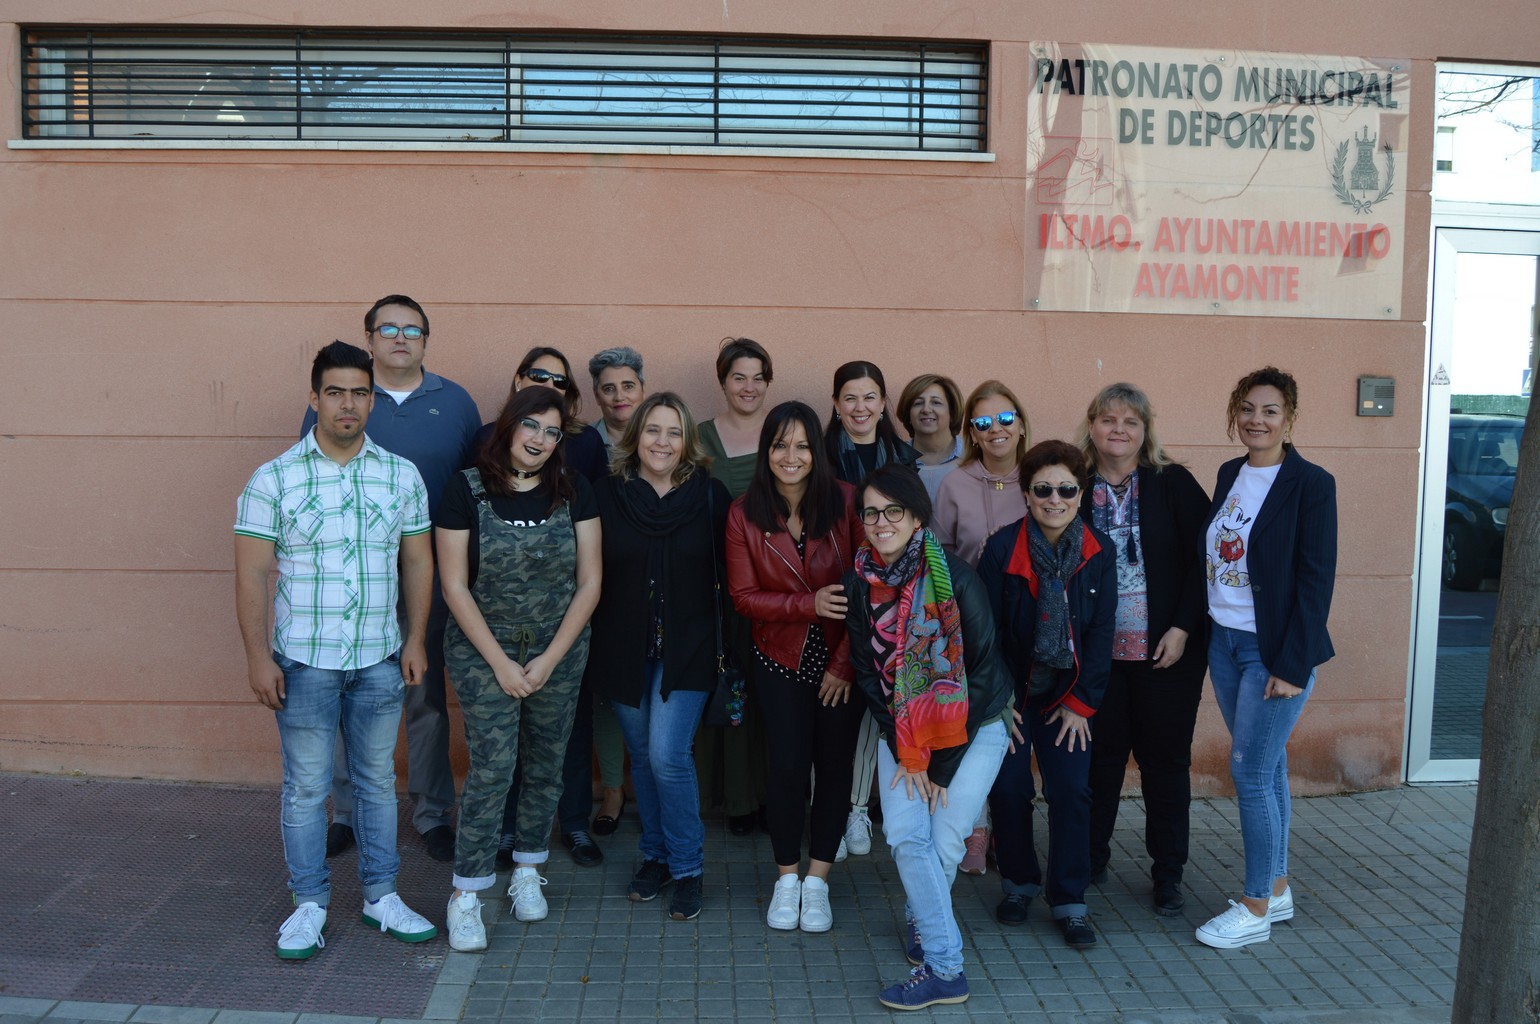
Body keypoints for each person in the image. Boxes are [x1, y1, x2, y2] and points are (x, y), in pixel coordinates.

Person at [236, 340, 439, 959]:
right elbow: (250, 574)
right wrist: (257, 657)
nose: (348, 404)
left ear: (372, 399)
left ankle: (381, 897)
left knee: (378, 783)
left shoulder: (400, 475)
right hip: (302, 661)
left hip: (378, 658)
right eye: (335, 392)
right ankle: (309, 905)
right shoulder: (273, 478)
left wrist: (414, 640)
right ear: (314, 398)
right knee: (305, 787)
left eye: (359, 392)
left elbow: (418, 561)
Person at [302, 295, 481, 864]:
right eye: (389, 328)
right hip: (350, 576)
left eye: (413, 329)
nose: (400, 338)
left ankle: (432, 814)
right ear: (371, 338)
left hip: (428, 573)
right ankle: (346, 813)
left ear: (426, 340)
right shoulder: (343, 398)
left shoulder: (454, 403)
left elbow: (474, 487)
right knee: (342, 693)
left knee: (423, 692)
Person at [842, 464, 1015, 1010]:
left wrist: (937, 767)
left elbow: (984, 673)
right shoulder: (859, 580)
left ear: (917, 517)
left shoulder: (956, 579)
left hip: (978, 725)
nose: (882, 521)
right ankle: (939, 946)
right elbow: (870, 676)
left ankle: (941, 962)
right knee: (906, 836)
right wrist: (907, 749)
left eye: (894, 510)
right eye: (871, 512)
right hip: (904, 732)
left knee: (943, 840)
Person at [435, 386, 602, 950]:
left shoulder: (574, 490)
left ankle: (529, 868)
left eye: (553, 432)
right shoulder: (465, 489)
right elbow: (454, 586)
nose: (540, 440)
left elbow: (590, 582)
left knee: (548, 763)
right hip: (484, 650)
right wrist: (503, 664)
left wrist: (549, 658)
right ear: (508, 426)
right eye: (532, 425)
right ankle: (467, 894)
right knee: (493, 767)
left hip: (559, 648)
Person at [1195, 366, 1337, 949]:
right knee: (1268, 765)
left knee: (1249, 771)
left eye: (1270, 411)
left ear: (1290, 419)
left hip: (1272, 652)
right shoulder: (1231, 473)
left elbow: (1314, 580)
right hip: (1224, 641)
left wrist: (1290, 664)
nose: (1257, 420)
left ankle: (1254, 907)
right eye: (1248, 409)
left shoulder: (1311, 483)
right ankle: (1277, 888)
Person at [587, 393, 731, 922]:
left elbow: (728, 576)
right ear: (635, 437)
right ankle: (656, 857)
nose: (662, 442)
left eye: (673, 432)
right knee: (643, 756)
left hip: (689, 650)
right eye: (652, 431)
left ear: (687, 440)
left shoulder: (710, 497)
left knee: (669, 756)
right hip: (623, 648)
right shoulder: (606, 494)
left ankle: (689, 868)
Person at [725, 401, 864, 933]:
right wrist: (806, 606)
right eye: (780, 444)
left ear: (818, 451)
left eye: (802, 445)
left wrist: (845, 664)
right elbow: (742, 596)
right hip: (778, 657)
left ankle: (818, 882)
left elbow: (865, 589)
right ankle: (786, 879)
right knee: (785, 769)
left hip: (841, 659)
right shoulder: (744, 512)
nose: (791, 456)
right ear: (766, 451)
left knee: (833, 769)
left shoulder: (847, 503)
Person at [478, 347, 616, 870]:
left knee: (567, 731)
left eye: (560, 380)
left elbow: (591, 547)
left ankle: (573, 823)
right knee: (507, 738)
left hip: (564, 619)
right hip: (497, 621)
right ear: (517, 381)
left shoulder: (582, 450)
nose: (550, 385)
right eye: (539, 377)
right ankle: (508, 831)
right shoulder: (485, 442)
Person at [1077, 383, 1211, 917]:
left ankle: (1168, 873)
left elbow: (1205, 563)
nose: (1119, 430)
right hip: (1097, 657)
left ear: (1145, 431)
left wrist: (1181, 627)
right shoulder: (1074, 485)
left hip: (1166, 656)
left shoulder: (1173, 483)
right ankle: (1088, 860)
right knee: (1098, 764)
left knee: (1165, 764)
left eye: (1130, 422)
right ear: (1091, 426)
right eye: (1109, 419)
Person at [979, 439, 1116, 949]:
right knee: (1010, 788)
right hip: (1012, 697)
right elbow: (983, 634)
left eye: (1065, 489)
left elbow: (1101, 635)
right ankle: (1018, 883)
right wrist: (998, 703)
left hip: (1067, 698)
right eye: (1042, 489)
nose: (1054, 499)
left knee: (1071, 792)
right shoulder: (1000, 549)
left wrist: (1082, 704)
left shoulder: (1099, 552)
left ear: (1081, 493)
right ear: (1026, 494)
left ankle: (1069, 899)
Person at [931, 380, 1032, 875]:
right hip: (972, 627)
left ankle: (1008, 838)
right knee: (974, 726)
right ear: (971, 429)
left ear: (1021, 423)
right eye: (984, 421)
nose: (997, 430)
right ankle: (975, 828)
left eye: (1006, 418)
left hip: (1029, 625)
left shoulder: (1040, 477)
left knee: (1012, 736)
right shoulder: (954, 483)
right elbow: (939, 556)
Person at [824, 360, 919, 860]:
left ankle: (858, 808)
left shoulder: (904, 457)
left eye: (870, 397)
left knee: (869, 710)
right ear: (836, 405)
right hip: (832, 592)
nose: (860, 408)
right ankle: (829, 811)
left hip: (889, 593)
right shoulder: (820, 457)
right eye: (850, 398)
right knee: (832, 710)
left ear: (883, 403)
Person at [697, 338, 774, 836]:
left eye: (757, 377)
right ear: (722, 381)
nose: (748, 387)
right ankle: (733, 799)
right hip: (717, 583)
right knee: (727, 684)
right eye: (738, 377)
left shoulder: (783, 433)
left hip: (779, 582)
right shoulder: (700, 437)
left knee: (774, 691)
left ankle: (770, 796)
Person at [897, 374, 965, 501]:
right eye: (918, 403)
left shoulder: (975, 458)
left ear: (952, 412)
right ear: (908, 414)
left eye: (936, 402)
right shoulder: (893, 460)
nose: (926, 409)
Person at [588, 346, 647, 449]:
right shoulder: (581, 442)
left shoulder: (660, 440)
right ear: (597, 396)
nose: (619, 397)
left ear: (643, 390)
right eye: (609, 389)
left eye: (628, 386)